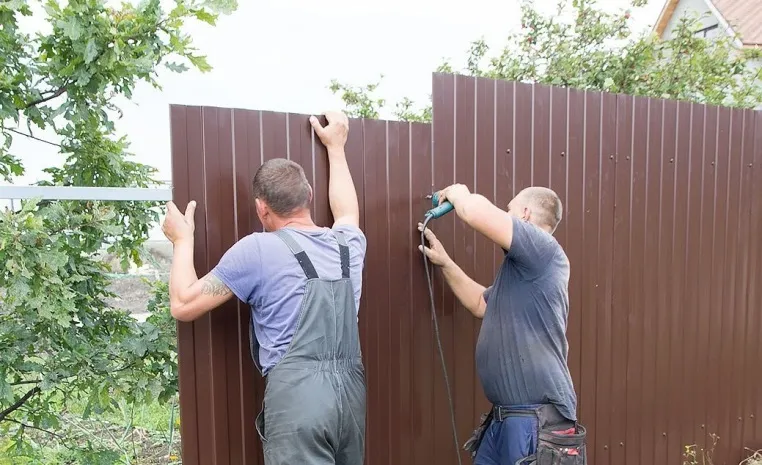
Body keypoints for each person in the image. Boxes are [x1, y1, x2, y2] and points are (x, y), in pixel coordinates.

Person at [161, 111, 367, 465]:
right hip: (351, 398)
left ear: (261, 207)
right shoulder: (349, 244)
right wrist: (336, 148)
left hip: (300, 403)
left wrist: (182, 240)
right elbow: (347, 211)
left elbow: (183, 304)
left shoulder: (257, 250)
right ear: (310, 195)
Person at [417, 184, 585, 465]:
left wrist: (460, 192)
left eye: (509, 209)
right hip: (505, 417)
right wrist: (446, 263)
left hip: (535, 419)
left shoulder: (543, 248)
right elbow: (481, 305)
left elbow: (472, 212)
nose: (505, 213)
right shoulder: (524, 272)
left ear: (526, 214)